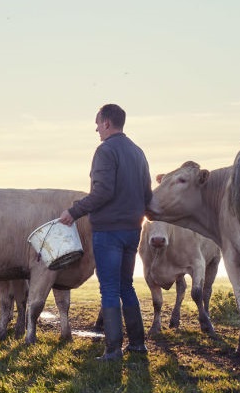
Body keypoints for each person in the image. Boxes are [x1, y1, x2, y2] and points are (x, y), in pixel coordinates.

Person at [58, 104, 152, 361]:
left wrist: (73, 212)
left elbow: (102, 192)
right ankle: (137, 345)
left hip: (109, 231)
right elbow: (147, 195)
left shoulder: (105, 151)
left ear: (108, 123)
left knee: (109, 288)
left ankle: (112, 350)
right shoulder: (138, 152)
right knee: (126, 286)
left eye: (98, 124)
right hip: (133, 230)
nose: (97, 129)